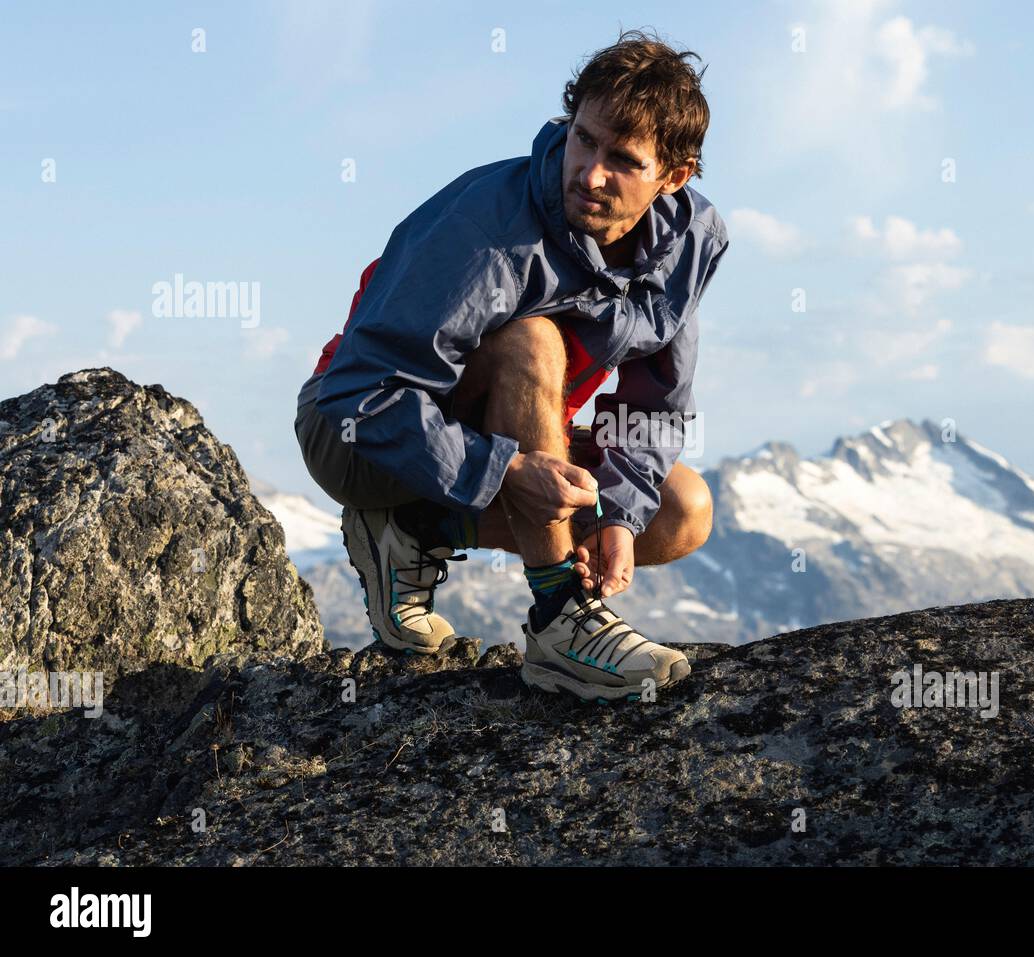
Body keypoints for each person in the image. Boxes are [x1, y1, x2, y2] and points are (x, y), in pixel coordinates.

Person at [293, 29, 728, 701]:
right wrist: (504, 470)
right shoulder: (489, 224)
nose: (590, 173)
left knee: (678, 511)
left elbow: (653, 405)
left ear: (673, 177)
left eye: (622, 159)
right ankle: (561, 624)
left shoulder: (683, 248)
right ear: (567, 121)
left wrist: (617, 516)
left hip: (489, 439)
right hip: (356, 432)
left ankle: (416, 528)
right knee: (534, 338)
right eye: (584, 139)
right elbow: (360, 391)